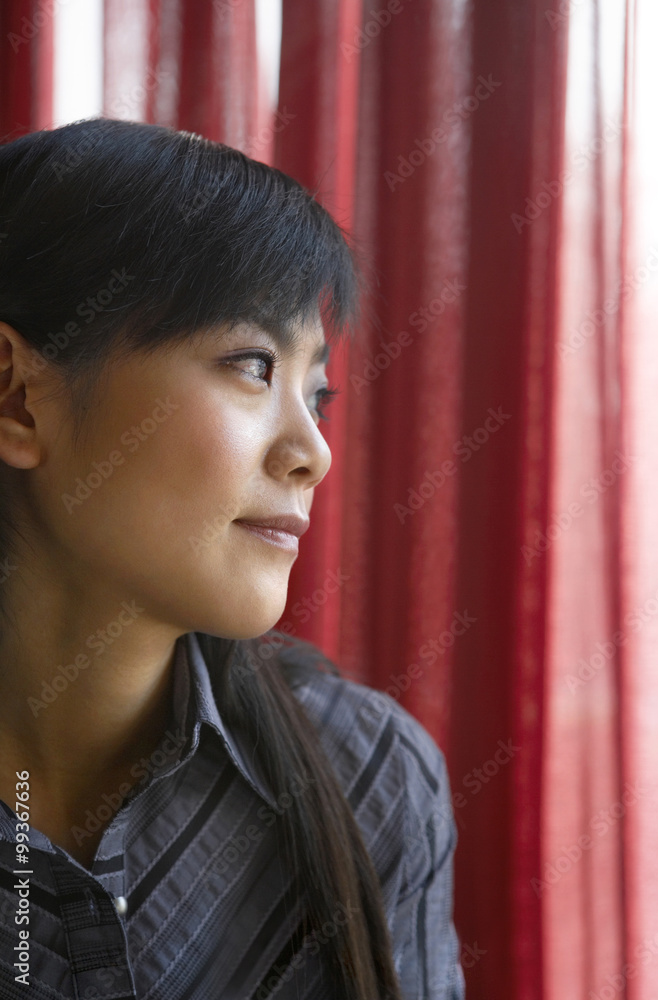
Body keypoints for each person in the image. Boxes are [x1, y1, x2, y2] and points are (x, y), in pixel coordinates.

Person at [0, 117, 465, 1000]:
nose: (313, 451)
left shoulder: (370, 780)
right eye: (252, 364)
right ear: (18, 396)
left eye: (316, 394)